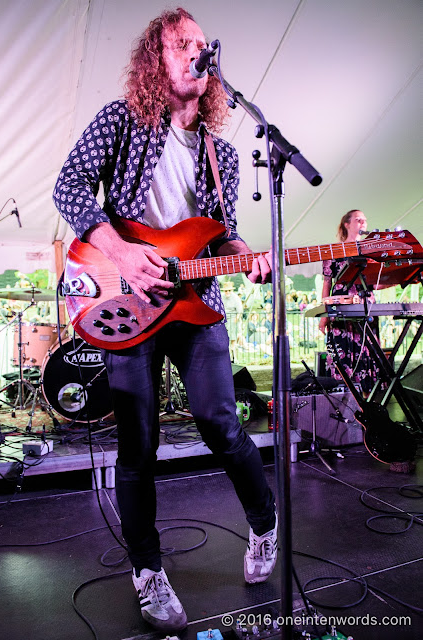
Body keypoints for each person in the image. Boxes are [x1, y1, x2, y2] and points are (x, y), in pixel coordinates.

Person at [53, 8, 277, 633]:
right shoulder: (122, 120)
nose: (197, 53)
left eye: (203, 46)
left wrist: (245, 259)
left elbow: (222, 237)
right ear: (158, 57)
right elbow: (69, 188)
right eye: (183, 44)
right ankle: (147, 570)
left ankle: (266, 525)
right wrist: (122, 251)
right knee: (138, 445)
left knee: (221, 422)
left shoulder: (221, 154)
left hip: (194, 303)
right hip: (127, 301)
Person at [319, 210, 381, 395]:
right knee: (342, 353)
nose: (363, 223)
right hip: (341, 307)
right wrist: (324, 313)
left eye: (365, 220)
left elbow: (377, 280)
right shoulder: (333, 251)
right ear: (346, 224)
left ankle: (369, 402)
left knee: (368, 353)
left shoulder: (370, 250)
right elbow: (327, 283)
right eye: (358, 219)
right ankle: (346, 401)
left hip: (365, 305)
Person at [220, 280, 243, 361]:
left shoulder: (236, 298)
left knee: (233, 338)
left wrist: (235, 320)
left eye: (229, 290)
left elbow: (240, 311)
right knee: (225, 339)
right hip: (224, 319)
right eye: (226, 291)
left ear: (232, 290)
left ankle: (234, 357)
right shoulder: (222, 297)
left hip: (233, 318)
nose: (227, 292)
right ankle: (227, 357)